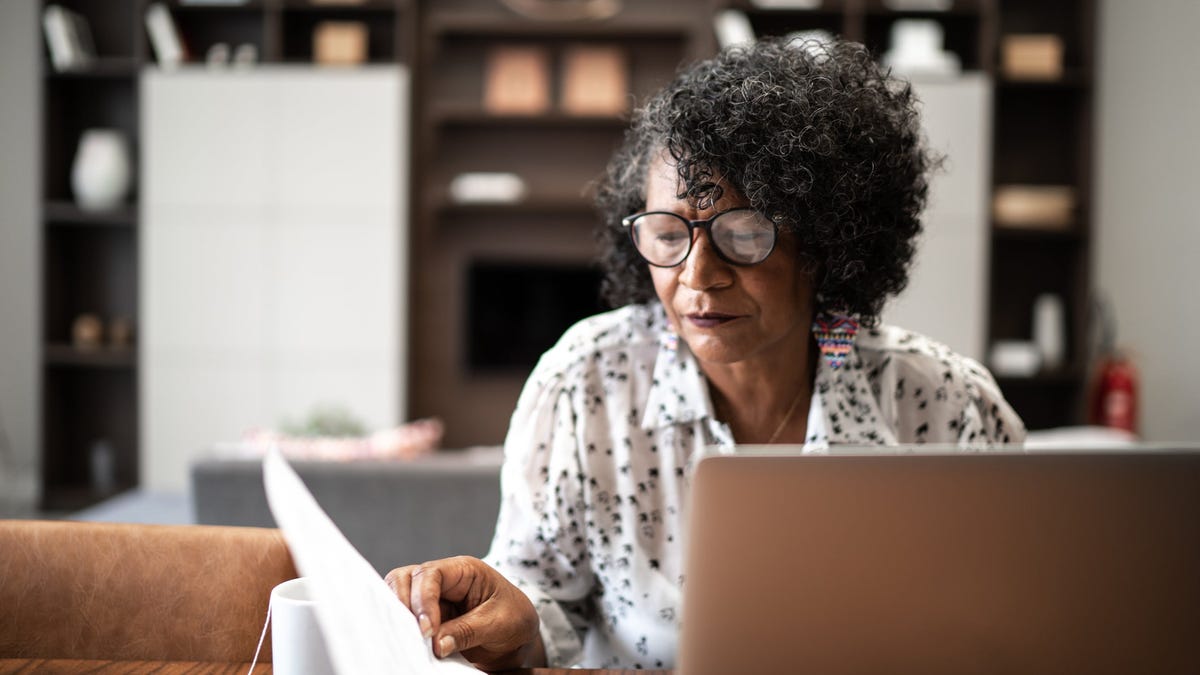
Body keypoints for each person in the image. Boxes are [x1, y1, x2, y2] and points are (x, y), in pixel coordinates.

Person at [386, 36, 1025, 670]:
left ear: (827, 242)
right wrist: (510, 624)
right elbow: (542, 612)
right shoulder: (586, 382)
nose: (696, 275)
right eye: (668, 234)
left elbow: (1009, 630)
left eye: (744, 235)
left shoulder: (944, 407)